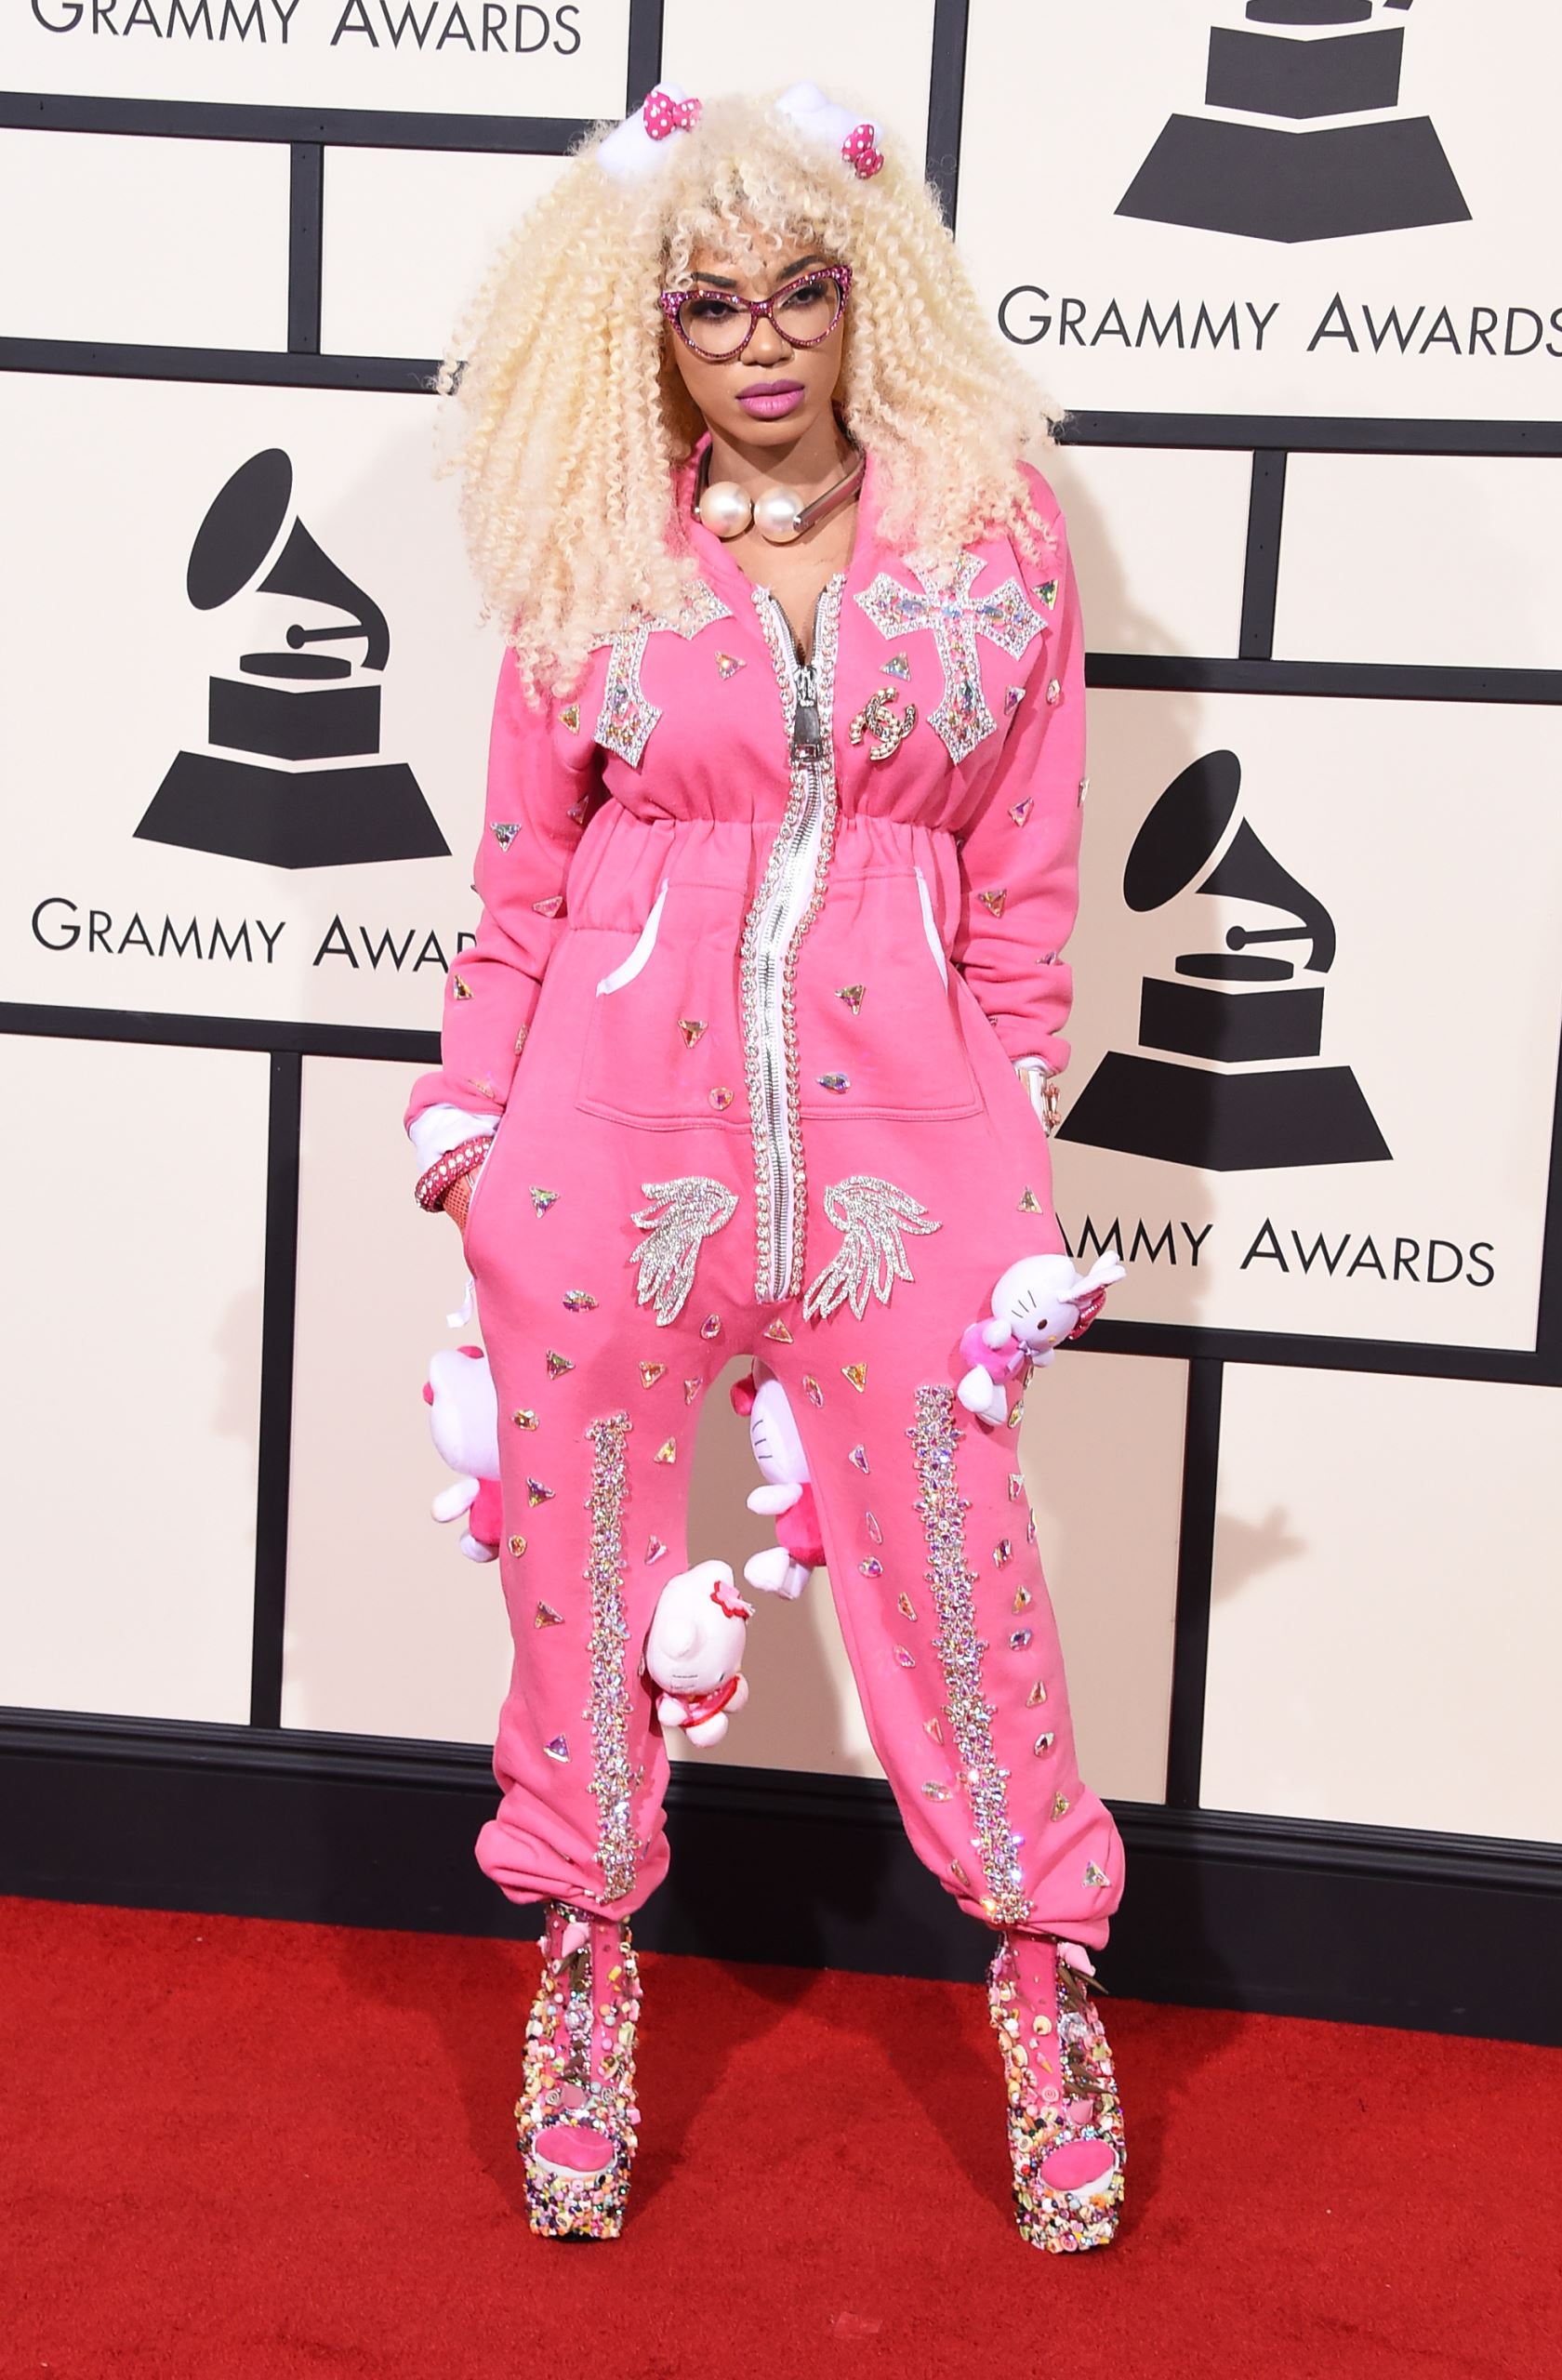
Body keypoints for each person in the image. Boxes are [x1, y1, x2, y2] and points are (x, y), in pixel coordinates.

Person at [404, 79, 1126, 2254]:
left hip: (913, 1160)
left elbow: (1027, 871)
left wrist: (1009, 1125)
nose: (764, 341)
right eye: (710, 306)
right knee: (577, 1578)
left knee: (966, 1577)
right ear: (651, 331)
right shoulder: (599, 538)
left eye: (803, 290)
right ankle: (588, 1968)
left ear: (865, 293)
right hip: (605, 1150)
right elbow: (525, 868)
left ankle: (1039, 1977)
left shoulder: (992, 538)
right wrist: (469, 1109)